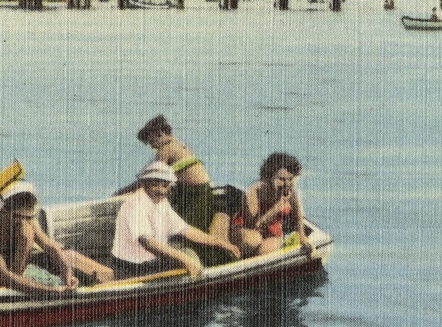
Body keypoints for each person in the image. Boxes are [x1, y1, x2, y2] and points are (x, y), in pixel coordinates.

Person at [0, 181, 113, 294]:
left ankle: (22, 280)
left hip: (11, 265)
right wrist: (52, 291)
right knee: (25, 239)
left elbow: (52, 247)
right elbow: (3, 277)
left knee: (29, 235)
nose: (27, 221)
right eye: (21, 218)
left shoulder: (26, 220)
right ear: (6, 211)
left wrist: (67, 274)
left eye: (29, 217)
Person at [132, 114, 235, 267]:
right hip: (196, 192)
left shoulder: (165, 148)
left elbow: (154, 174)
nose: (152, 147)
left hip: (197, 195)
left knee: (187, 232)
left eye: (151, 142)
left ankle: (212, 260)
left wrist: (129, 190)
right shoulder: (180, 144)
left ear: (160, 134)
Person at [110, 161, 241, 279]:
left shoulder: (161, 202)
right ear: (144, 184)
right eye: (155, 184)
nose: (161, 190)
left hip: (151, 259)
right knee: (189, 258)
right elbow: (148, 242)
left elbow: (186, 230)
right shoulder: (136, 205)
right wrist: (184, 259)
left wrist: (220, 243)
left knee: (190, 253)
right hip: (133, 265)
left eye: (165, 185)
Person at [232, 152, 315, 258]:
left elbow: (298, 218)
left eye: (290, 179)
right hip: (247, 229)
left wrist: (303, 238)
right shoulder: (255, 191)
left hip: (272, 231)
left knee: (266, 251)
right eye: (281, 179)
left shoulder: (293, 193)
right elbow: (256, 225)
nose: (286, 184)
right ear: (269, 177)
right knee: (253, 240)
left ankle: (252, 265)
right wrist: (277, 208)